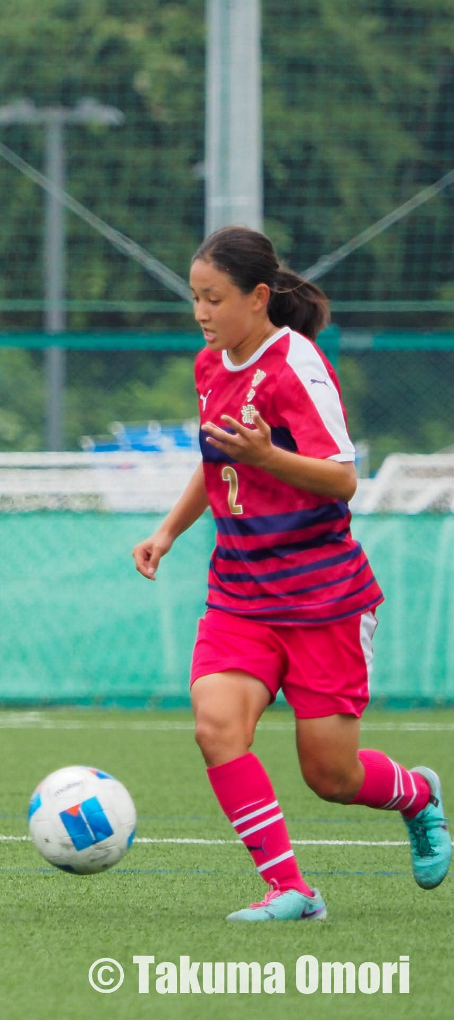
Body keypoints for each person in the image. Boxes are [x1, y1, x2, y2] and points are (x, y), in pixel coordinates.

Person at [132, 225, 450, 922]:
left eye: (213, 298)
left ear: (258, 297)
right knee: (216, 727)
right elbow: (220, 460)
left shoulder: (296, 365)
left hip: (322, 599)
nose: (201, 313)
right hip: (240, 595)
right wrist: (168, 531)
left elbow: (342, 479)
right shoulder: (210, 366)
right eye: (194, 298)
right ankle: (292, 891)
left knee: (330, 775)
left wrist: (268, 456)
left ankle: (419, 795)